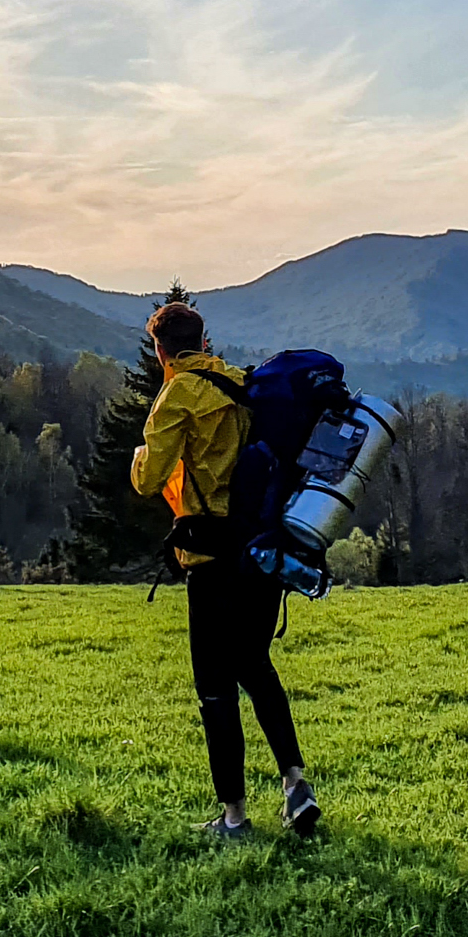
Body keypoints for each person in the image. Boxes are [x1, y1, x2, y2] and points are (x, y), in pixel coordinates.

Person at [130, 299, 319, 843]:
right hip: (261, 551)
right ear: (205, 340)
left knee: (215, 688)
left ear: (162, 351)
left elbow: (149, 481)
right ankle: (294, 781)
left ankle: (234, 817)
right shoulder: (242, 384)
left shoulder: (177, 394)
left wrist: (140, 457)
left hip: (211, 559)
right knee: (255, 667)